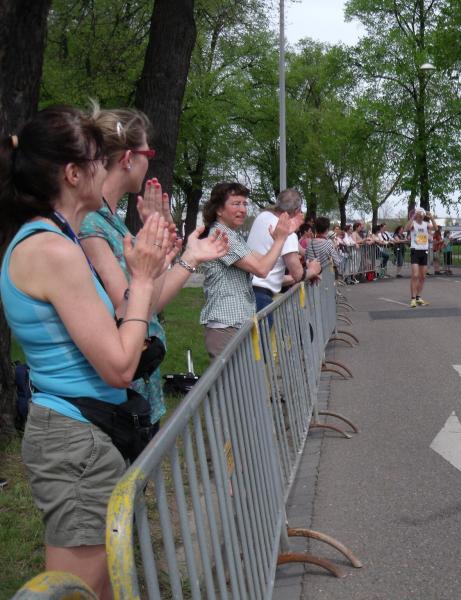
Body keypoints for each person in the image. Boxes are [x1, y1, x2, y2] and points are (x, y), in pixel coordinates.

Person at [0, 106, 173, 599]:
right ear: (73, 174)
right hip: (74, 440)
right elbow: (119, 365)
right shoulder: (52, 250)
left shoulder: (58, 240)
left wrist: (149, 270)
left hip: (85, 432)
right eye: (99, 159)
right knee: (80, 591)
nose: (109, 166)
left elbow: (116, 327)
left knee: (105, 585)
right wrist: (141, 280)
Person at [79, 106, 228, 431]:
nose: (150, 161)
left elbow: (151, 300)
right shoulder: (90, 224)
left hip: (141, 387)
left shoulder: (111, 221)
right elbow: (132, 308)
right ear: (128, 159)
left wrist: (188, 257)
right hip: (116, 399)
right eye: (148, 153)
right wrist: (160, 248)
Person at [199, 182, 301, 358]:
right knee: (236, 377)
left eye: (244, 204)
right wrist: (280, 240)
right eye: (236, 204)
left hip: (236, 324)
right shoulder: (221, 236)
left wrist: (281, 239)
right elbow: (262, 269)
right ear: (219, 210)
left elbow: (263, 261)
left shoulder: (232, 235)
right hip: (226, 326)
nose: (243, 209)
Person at [246, 187, 321, 311]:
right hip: (261, 297)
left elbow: (273, 275)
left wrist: (301, 276)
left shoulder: (262, 217)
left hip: (247, 289)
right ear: (297, 210)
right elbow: (297, 274)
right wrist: (313, 270)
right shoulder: (287, 232)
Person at [404, 208, 436, 307]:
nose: (421, 216)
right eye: (419, 214)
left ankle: (418, 297)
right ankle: (413, 298)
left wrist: (431, 218)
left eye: (423, 215)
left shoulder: (426, 224)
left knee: (423, 276)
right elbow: (406, 228)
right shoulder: (413, 223)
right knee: (415, 275)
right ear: (417, 215)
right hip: (415, 250)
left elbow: (436, 229)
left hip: (424, 251)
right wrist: (413, 216)